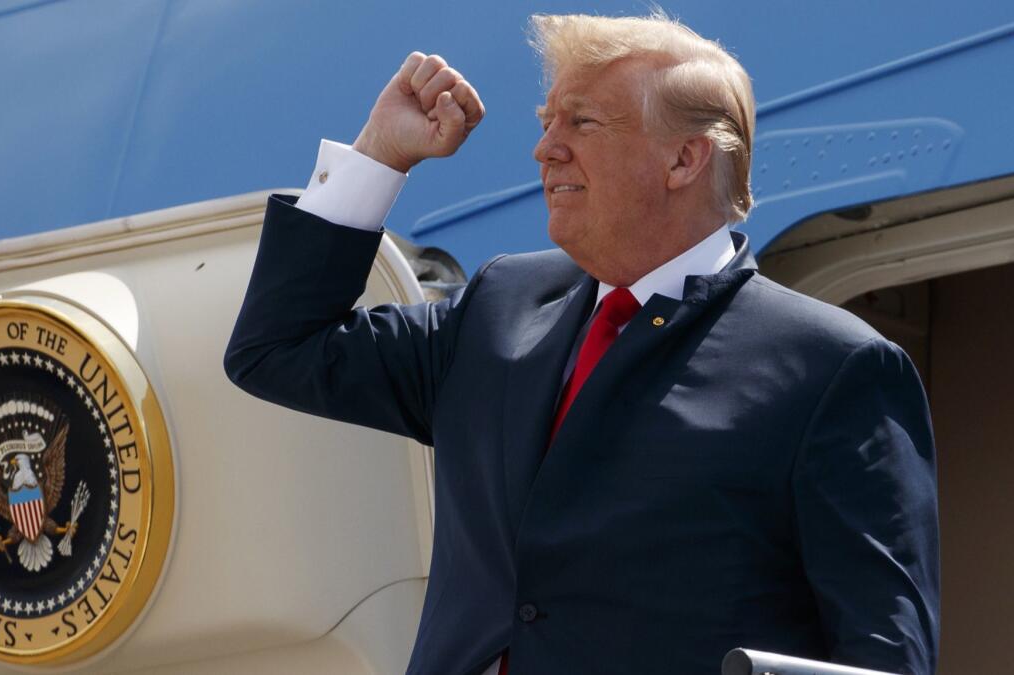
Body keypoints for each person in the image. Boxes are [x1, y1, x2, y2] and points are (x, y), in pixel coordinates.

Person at [225, 13, 938, 675]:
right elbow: (279, 347)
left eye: (582, 121)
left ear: (685, 159)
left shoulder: (832, 368)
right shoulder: (498, 308)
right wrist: (379, 156)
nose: (545, 147)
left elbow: (882, 656)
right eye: (546, 120)